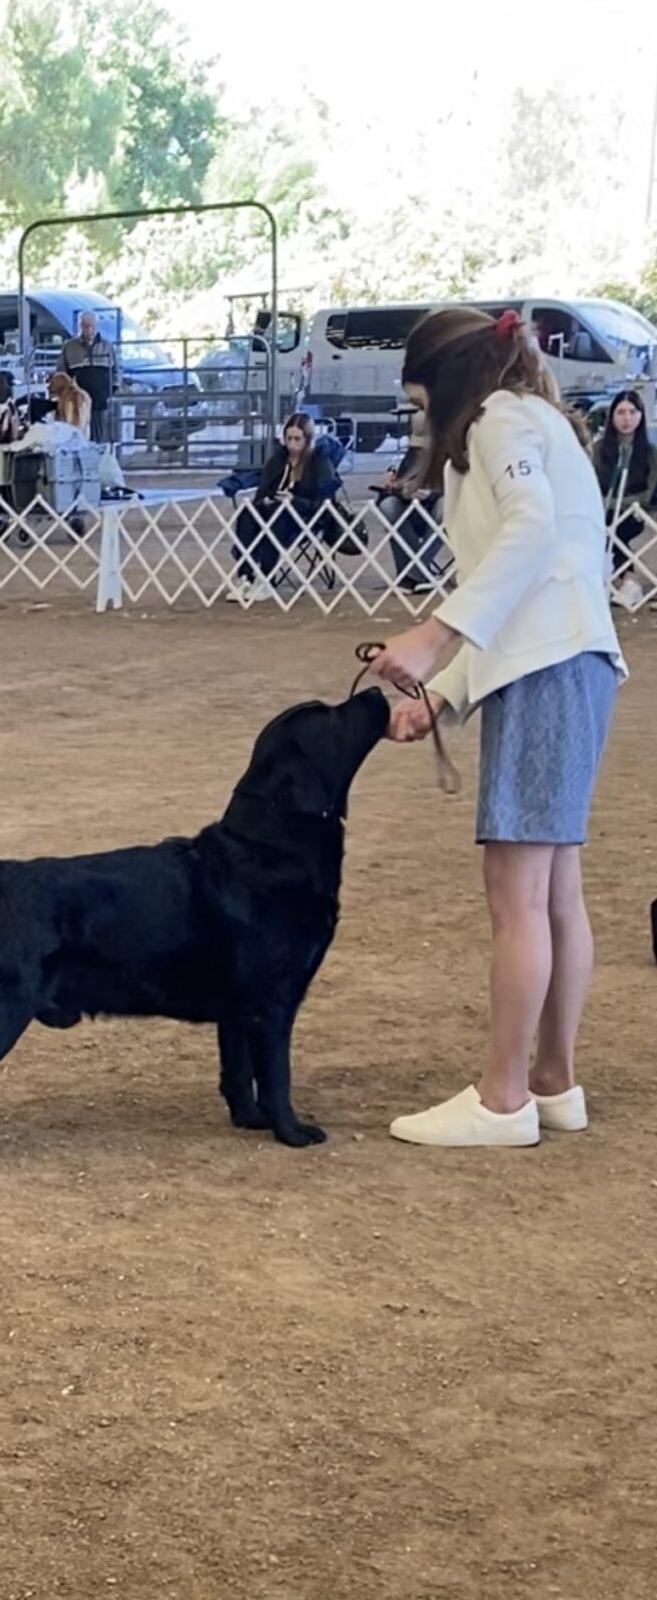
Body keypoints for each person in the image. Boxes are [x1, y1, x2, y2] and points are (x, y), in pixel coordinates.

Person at [369, 306, 627, 1148]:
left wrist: (434, 634)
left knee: (517, 899)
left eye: (419, 402)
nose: (421, 420)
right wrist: (441, 695)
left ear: (446, 387)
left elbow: (529, 535)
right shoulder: (538, 420)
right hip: (574, 663)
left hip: (547, 670)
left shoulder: (496, 422)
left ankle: (503, 1097)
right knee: (555, 895)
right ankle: (551, 1081)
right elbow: (525, 581)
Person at [226, 414, 337, 604]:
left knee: (277, 516)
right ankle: (245, 576)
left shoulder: (320, 462)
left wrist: (295, 500)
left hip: (305, 519)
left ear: (307, 439)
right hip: (273, 511)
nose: (292, 444)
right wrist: (267, 500)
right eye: (288, 439)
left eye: (297, 439)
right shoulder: (277, 460)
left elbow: (324, 503)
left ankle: (266, 579)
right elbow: (262, 492)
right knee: (248, 514)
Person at [591, 389, 657, 611]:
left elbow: (648, 493)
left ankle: (631, 581)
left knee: (633, 533)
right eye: (621, 412)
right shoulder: (598, 450)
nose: (627, 419)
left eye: (632, 412)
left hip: (637, 514)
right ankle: (618, 581)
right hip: (602, 513)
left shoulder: (650, 453)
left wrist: (628, 504)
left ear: (641, 416)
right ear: (612, 416)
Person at [375, 409, 447, 593]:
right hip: (410, 514)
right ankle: (419, 574)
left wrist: (431, 493)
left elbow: (457, 485)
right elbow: (391, 492)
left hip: (435, 514)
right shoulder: (409, 457)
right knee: (387, 506)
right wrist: (401, 490)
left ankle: (411, 575)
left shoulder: (450, 455)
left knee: (446, 507)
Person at [60, 311, 117, 444]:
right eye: (85, 326)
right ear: (80, 327)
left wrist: (113, 388)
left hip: (100, 398)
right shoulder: (69, 347)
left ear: (96, 326)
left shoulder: (107, 347)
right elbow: (62, 373)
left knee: (99, 436)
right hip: (77, 401)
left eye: (91, 326)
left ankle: (98, 460)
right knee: (77, 434)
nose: (89, 329)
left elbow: (117, 370)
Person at [47, 371, 92, 435]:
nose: (49, 387)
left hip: (73, 436)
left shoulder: (71, 399)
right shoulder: (83, 395)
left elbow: (74, 425)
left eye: (53, 384)